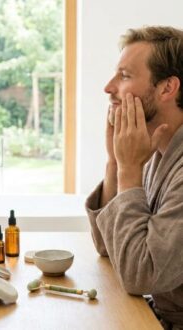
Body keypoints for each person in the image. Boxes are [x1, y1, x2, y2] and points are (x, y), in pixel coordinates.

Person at [85, 26, 183, 329]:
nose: (108, 87)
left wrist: (129, 171)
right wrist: (115, 162)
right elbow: (109, 247)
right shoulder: (155, 152)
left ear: (167, 88)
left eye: (125, 76)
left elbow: (140, 275)